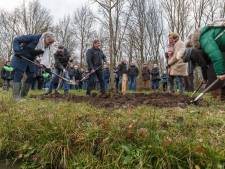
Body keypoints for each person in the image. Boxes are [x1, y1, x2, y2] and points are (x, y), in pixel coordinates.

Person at [11, 32, 55, 100]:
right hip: (20, 56)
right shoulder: (33, 37)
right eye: (48, 43)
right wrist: (17, 50)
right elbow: (16, 40)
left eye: (50, 43)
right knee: (18, 74)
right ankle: (16, 97)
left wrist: (44, 66)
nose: (48, 45)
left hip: (30, 59)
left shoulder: (47, 47)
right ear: (44, 38)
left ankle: (23, 96)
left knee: (31, 75)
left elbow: (45, 59)